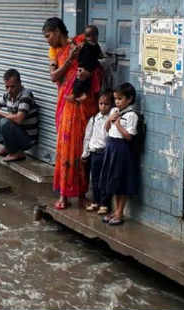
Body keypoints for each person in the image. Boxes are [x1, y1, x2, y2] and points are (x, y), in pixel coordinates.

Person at [43, 17, 103, 210]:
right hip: (66, 105)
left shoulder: (80, 42)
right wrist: (70, 59)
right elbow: (54, 77)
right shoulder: (55, 52)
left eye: (48, 35)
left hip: (84, 104)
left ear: (58, 31)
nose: (47, 40)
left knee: (83, 149)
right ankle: (64, 194)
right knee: (66, 148)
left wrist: (88, 75)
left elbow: (96, 65)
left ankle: (82, 194)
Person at [99, 83, 139, 225]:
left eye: (120, 99)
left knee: (121, 182)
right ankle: (115, 210)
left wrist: (118, 124)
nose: (117, 102)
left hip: (122, 150)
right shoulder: (114, 111)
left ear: (129, 99)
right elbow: (107, 128)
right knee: (114, 182)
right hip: (111, 147)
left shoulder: (131, 115)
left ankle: (120, 212)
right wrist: (110, 120)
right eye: (116, 99)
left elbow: (129, 137)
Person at [0, 69, 38, 162]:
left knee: (4, 121)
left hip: (27, 139)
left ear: (20, 83)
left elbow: (19, 119)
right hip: (18, 133)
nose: (9, 90)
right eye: (7, 87)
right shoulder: (8, 95)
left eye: (12, 87)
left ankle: (17, 152)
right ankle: (7, 147)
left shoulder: (26, 96)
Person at [81, 90, 113, 215]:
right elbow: (87, 137)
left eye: (106, 104)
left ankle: (105, 204)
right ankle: (96, 201)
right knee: (94, 179)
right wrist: (85, 153)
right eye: (101, 103)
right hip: (94, 153)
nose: (103, 106)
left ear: (111, 105)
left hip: (105, 153)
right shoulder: (94, 119)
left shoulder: (111, 120)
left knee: (104, 179)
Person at [67, 25, 104, 103]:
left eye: (90, 36)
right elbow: (100, 55)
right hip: (89, 67)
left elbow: (76, 49)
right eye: (87, 36)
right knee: (87, 81)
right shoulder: (94, 45)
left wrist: (72, 43)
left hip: (85, 67)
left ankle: (74, 95)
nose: (89, 38)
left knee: (79, 81)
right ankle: (84, 95)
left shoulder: (85, 44)